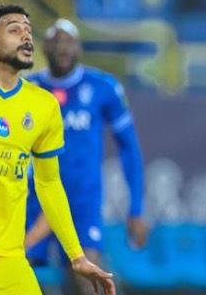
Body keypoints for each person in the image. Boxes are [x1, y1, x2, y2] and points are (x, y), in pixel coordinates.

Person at [0, 3, 115, 295]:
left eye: (29, 31)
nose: (26, 37)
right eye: (14, 29)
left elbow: (49, 184)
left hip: (9, 260)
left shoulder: (44, 106)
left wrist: (76, 255)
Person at [24, 19, 147, 294]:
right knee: (14, 278)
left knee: (88, 282)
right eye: (56, 41)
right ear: (44, 48)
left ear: (79, 48)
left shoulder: (103, 87)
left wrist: (136, 208)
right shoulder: (27, 90)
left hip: (82, 202)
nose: (63, 48)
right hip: (34, 202)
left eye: (69, 42)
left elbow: (129, 149)